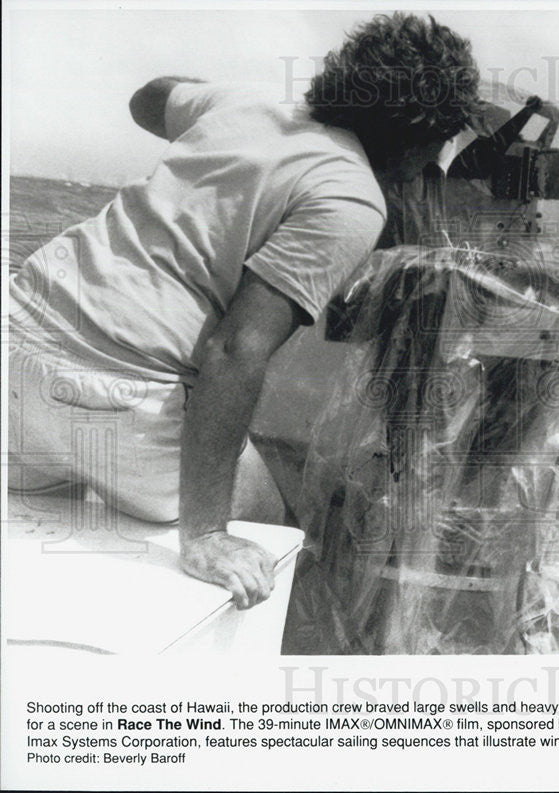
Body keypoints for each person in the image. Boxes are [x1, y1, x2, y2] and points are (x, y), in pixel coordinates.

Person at [7, 13, 482, 609]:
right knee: (274, 524)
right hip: (121, 397)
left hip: (17, 348)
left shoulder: (246, 104)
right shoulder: (353, 199)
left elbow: (148, 98)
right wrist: (205, 534)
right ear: (422, 140)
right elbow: (234, 350)